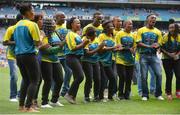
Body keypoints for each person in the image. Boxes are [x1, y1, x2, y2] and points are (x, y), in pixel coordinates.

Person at [13, 3, 41, 112]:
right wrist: (41, 39)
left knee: (26, 79)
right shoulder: (32, 24)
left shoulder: (17, 25)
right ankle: (29, 107)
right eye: (33, 10)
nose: (34, 12)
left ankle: (21, 106)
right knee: (35, 80)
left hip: (18, 55)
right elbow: (37, 42)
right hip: (29, 55)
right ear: (28, 12)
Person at [136, 14, 164, 101]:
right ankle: (145, 95)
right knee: (143, 76)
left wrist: (157, 45)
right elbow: (138, 42)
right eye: (152, 18)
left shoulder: (158, 32)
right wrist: (149, 46)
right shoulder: (141, 30)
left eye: (155, 18)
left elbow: (160, 43)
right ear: (147, 19)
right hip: (143, 56)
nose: (154, 19)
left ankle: (158, 94)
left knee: (159, 74)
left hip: (154, 56)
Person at [40, 19, 64, 108]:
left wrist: (61, 46)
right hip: (46, 60)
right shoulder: (43, 35)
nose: (55, 25)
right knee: (48, 81)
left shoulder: (56, 34)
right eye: (53, 24)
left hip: (55, 60)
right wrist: (60, 46)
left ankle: (54, 100)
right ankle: (44, 102)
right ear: (48, 25)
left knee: (60, 79)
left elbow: (59, 47)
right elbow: (47, 51)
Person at [64, 17, 89, 104]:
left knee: (76, 77)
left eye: (79, 23)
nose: (79, 25)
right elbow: (73, 48)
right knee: (80, 76)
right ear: (72, 24)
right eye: (77, 23)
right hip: (71, 57)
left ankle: (72, 97)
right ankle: (68, 94)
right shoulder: (70, 34)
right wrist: (83, 43)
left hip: (77, 58)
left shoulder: (76, 34)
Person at [3, 13, 23, 102]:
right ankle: (13, 96)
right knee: (14, 76)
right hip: (12, 55)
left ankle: (20, 94)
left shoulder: (26, 29)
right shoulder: (11, 29)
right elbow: (5, 42)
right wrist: (17, 42)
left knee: (27, 76)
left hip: (23, 55)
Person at [81, 27, 105, 103]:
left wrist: (102, 47)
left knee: (98, 79)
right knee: (89, 78)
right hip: (86, 61)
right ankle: (86, 96)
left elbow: (100, 52)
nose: (96, 34)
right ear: (90, 34)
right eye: (95, 33)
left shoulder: (97, 39)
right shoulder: (85, 40)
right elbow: (87, 53)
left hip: (95, 61)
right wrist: (99, 48)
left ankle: (96, 96)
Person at [115, 20, 135, 100]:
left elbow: (134, 48)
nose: (131, 25)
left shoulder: (133, 35)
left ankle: (127, 94)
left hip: (130, 60)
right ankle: (120, 94)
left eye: (132, 24)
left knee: (129, 78)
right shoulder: (119, 34)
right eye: (129, 24)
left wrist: (132, 50)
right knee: (122, 77)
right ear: (124, 25)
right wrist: (127, 48)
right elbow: (118, 47)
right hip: (120, 59)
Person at [54, 12, 72, 97]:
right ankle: (55, 91)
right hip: (55, 54)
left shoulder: (66, 27)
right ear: (56, 18)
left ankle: (65, 90)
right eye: (62, 17)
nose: (64, 19)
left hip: (65, 54)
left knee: (69, 71)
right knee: (54, 75)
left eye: (64, 18)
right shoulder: (53, 27)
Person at [98, 20, 116, 101]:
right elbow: (101, 48)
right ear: (105, 28)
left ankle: (110, 96)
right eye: (109, 26)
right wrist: (113, 48)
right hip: (101, 61)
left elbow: (113, 49)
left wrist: (118, 48)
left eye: (112, 26)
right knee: (103, 80)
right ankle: (101, 97)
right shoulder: (101, 36)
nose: (112, 28)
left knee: (112, 78)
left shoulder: (112, 37)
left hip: (109, 61)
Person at [161, 23, 180, 100]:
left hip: (177, 59)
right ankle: (168, 92)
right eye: (170, 28)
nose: (171, 29)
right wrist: (169, 54)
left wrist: (177, 55)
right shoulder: (165, 37)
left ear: (176, 28)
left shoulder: (179, 37)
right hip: (166, 59)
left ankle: (178, 91)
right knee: (169, 76)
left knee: (179, 75)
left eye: (173, 27)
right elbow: (161, 48)